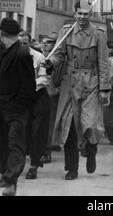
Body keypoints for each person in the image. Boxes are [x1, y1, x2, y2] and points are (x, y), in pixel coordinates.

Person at [43, 1, 111, 180]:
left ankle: (91, 149)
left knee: (90, 125)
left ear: (90, 15)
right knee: (70, 129)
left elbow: (104, 62)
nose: (82, 17)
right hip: (71, 84)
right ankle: (71, 169)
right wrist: (50, 62)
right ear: (75, 14)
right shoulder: (66, 33)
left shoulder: (98, 35)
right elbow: (58, 55)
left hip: (92, 83)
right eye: (79, 14)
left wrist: (104, 88)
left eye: (86, 14)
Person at [0, 19, 36, 196]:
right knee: (2, 145)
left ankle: (10, 178)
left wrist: (22, 107)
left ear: (1, 34)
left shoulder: (22, 53)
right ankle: (10, 182)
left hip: (17, 110)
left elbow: (29, 86)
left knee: (15, 143)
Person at [18, 31, 50, 180]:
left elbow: (44, 78)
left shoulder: (39, 57)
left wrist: (29, 86)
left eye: (25, 43)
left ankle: (34, 165)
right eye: (20, 43)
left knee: (37, 132)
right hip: (20, 100)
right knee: (19, 131)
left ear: (30, 43)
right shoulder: (12, 57)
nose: (22, 46)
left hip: (37, 98)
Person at [40, 32, 63, 164]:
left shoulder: (58, 59)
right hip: (38, 93)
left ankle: (47, 151)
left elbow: (58, 77)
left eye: (49, 42)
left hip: (51, 94)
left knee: (49, 124)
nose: (45, 44)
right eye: (45, 42)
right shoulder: (40, 56)